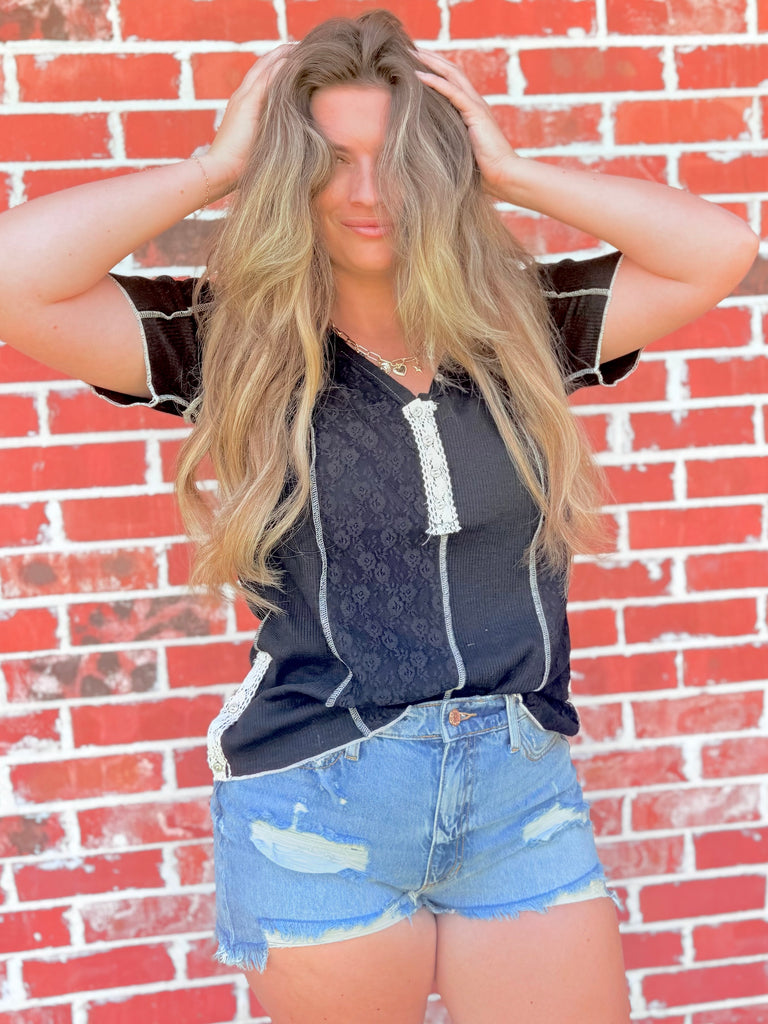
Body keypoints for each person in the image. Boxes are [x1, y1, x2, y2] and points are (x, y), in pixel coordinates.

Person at [0, 10, 757, 1024]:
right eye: (332, 159)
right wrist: (215, 165)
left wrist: (509, 169)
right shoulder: (232, 343)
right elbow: (16, 278)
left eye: (398, 158)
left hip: (519, 795)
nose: (369, 192)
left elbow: (718, 249)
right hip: (321, 798)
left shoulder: (519, 329)